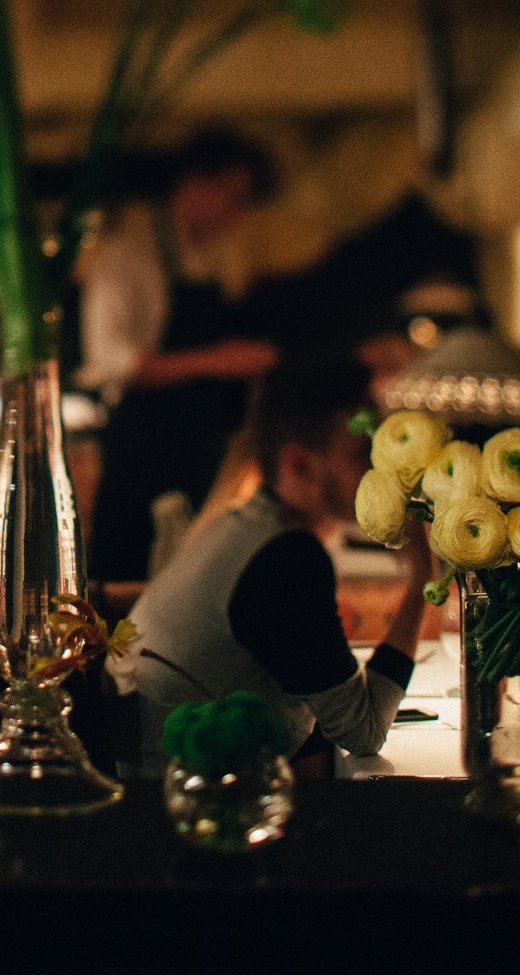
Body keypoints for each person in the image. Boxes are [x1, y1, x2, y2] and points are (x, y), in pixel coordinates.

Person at [106, 354, 437, 778]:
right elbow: (364, 730)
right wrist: (422, 577)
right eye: (363, 455)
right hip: (185, 797)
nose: (383, 473)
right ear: (299, 464)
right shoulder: (286, 558)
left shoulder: (240, 523)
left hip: (167, 772)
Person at [80, 125, 280, 580]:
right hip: (141, 451)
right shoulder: (128, 255)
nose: (239, 212)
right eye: (234, 196)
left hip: (199, 448)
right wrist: (218, 361)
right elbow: (115, 362)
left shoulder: (212, 257)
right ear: (194, 182)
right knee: (128, 574)